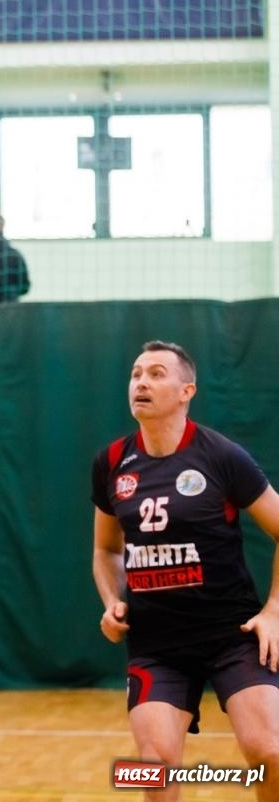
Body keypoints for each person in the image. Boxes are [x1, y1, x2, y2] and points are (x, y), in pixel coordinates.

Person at [91, 341, 279, 802]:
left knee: (271, 753)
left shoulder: (221, 455)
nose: (141, 383)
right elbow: (106, 549)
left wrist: (274, 610)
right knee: (152, 770)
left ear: (185, 390)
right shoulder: (112, 463)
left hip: (231, 634)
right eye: (136, 374)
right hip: (157, 646)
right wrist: (112, 601)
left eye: (156, 374)